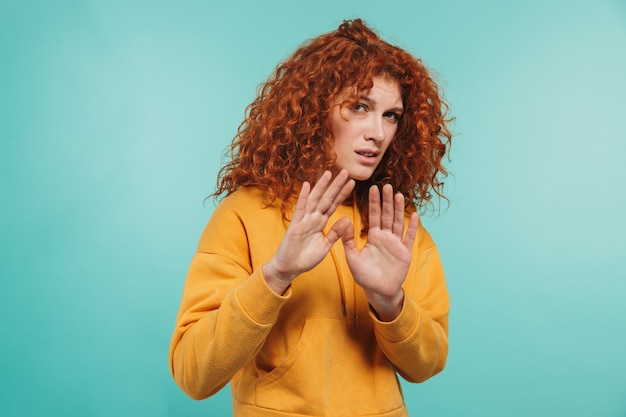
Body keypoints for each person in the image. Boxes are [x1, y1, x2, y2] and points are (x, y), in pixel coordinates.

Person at [169, 18, 452, 417]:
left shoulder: (395, 224)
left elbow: (427, 365)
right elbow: (194, 374)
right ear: (315, 111)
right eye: (360, 107)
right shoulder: (244, 213)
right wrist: (275, 276)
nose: (378, 132)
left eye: (391, 115)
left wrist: (390, 302)